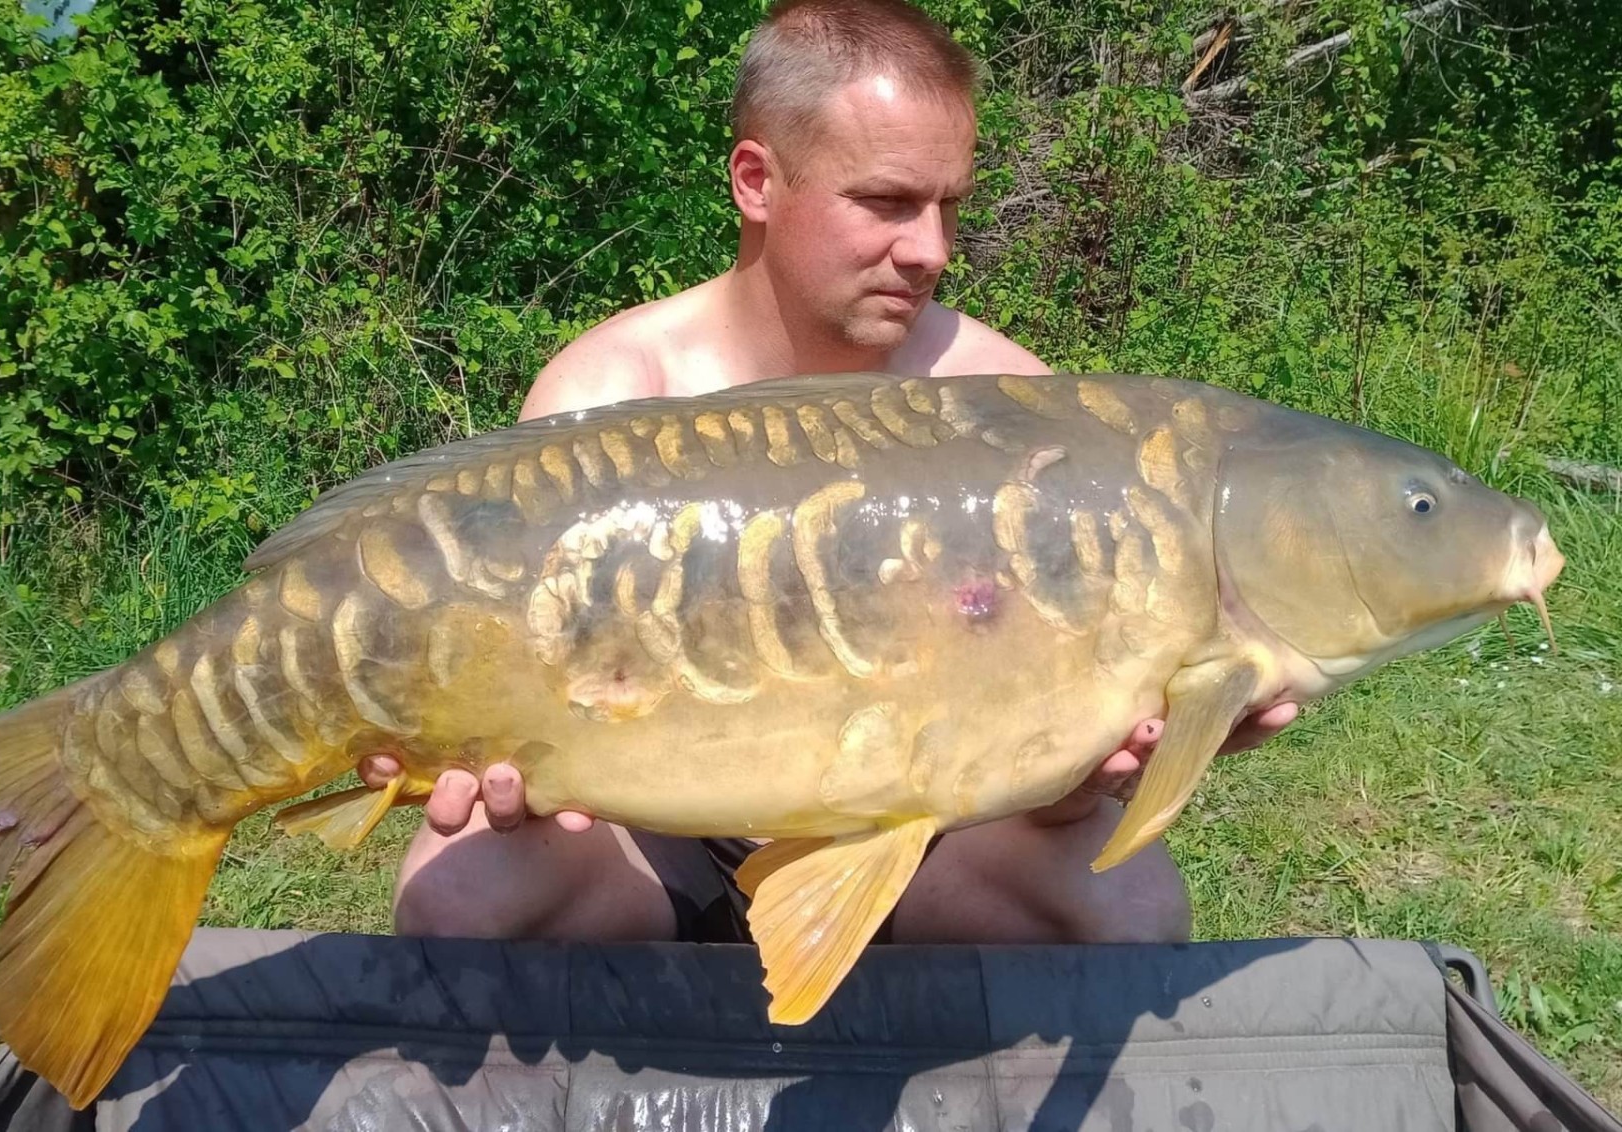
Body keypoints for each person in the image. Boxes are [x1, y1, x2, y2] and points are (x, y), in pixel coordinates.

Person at [365, 0, 1297, 948]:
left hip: (923, 834)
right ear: (756, 180)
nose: (931, 248)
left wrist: (1098, 773)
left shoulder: (1010, 405)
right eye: (887, 202)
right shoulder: (613, 391)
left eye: (950, 205)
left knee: (1124, 907)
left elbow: (1048, 775)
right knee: (460, 897)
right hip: (647, 829)